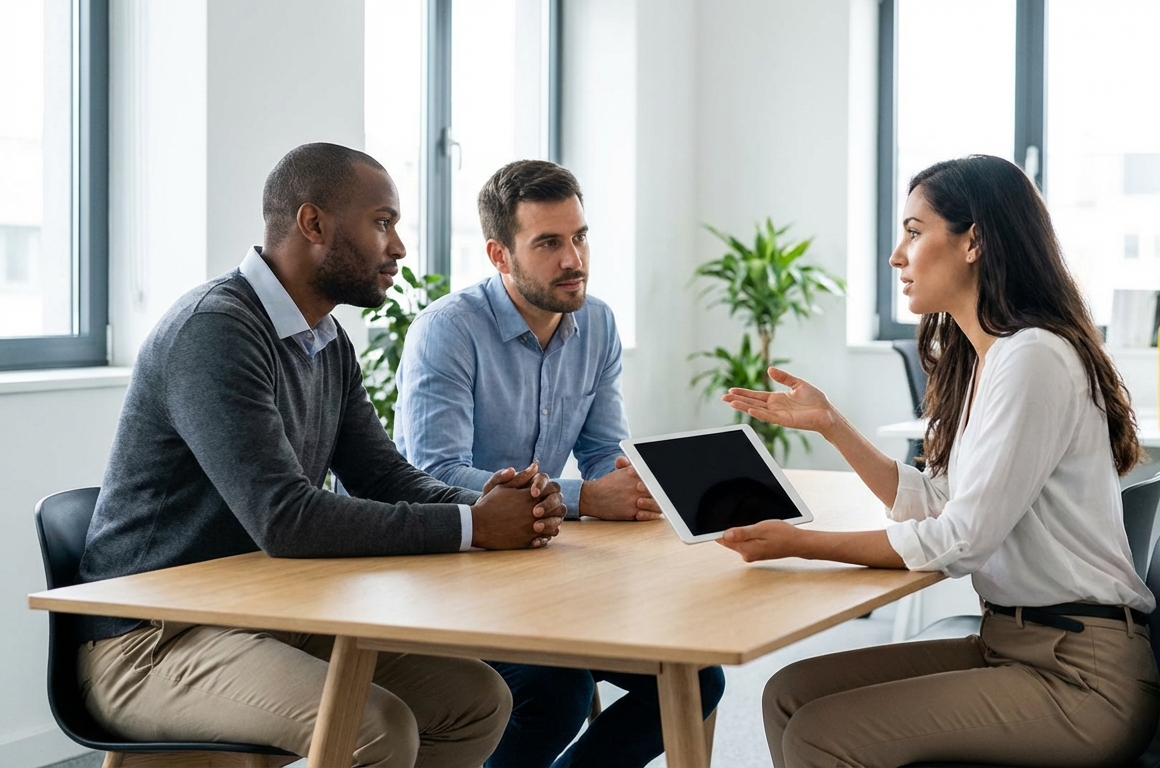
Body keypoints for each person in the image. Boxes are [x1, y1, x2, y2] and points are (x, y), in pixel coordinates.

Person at [77, 143, 567, 768]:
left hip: (261, 616)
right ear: (313, 224)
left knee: (475, 700)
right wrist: (476, 526)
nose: (399, 248)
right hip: (150, 640)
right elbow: (286, 518)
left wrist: (498, 506)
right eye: (383, 223)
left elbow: (381, 475)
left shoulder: (326, 341)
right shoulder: (216, 330)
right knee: (376, 727)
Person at [717, 155, 1160, 767]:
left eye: (915, 231)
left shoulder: (1033, 357)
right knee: (789, 696)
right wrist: (832, 425)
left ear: (973, 240)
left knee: (822, 731)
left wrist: (803, 543)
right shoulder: (990, 359)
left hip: (1080, 676)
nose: (898, 255)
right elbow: (940, 502)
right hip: (1014, 644)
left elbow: (961, 541)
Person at [393, 159, 724, 768]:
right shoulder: (446, 330)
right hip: (454, 572)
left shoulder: (595, 323)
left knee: (697, 678)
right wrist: (584, 498)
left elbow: (602, 450)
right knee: (556, 691)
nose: (574, 259)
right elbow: (434, 474)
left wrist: (630, 481)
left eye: (579, 237)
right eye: (548, 243)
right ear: (499, 255)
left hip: (545, 569)